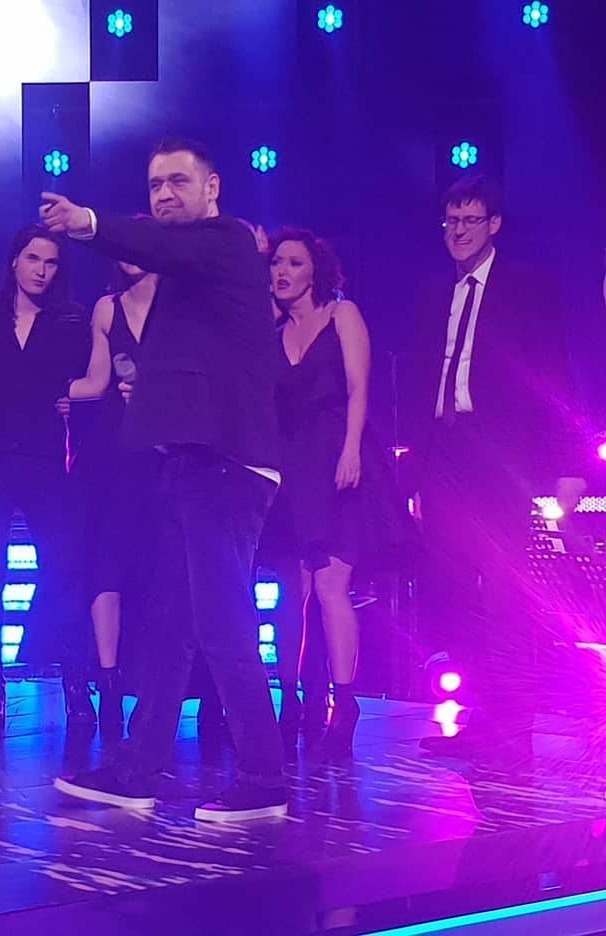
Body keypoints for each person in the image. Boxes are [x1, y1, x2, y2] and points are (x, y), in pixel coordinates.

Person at [44, 137, 287, 822]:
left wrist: (88, 223)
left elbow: (158, 245)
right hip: (189, 461)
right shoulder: (185, 274)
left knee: (222, 623)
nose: (164, 195)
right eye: (155, 185)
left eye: (178, 181)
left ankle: (264, 777)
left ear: (213, 188)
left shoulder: (227, 242)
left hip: (227, 462)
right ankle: (137, 770)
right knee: (171, 626)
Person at [410, 175, 585, 768]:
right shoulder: (434, 292)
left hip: (501, 455)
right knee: (453, 592)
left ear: (494, 225)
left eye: (470, 220)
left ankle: (514, 734)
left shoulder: (527, 286)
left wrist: (568, 463)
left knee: (507, 595)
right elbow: (420, 380)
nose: (458, 231)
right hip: (445, 454)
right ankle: (477, 722)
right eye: (451, 221)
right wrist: (417, 471)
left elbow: (553, 372)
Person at [269, 228, 404, 759]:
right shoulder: (273, 330)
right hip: (290, 467)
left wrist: (350, 449)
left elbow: (357, 387)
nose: (282, 272)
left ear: (315, 271)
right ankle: (290, 700)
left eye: (294, 263)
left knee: (331, 586)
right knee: (291, 593)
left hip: (338, 457)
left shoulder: (342, 314)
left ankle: (343, 705)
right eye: (276, 262)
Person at [0, 225, 93, 730]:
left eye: (51, 262)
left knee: (63, 572)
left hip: (46, 459)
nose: (42, 270)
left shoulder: (70, 320)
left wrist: (74, 398)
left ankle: (77, 690)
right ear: (14, 260)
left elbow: (88, 381)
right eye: (34, 258)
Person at [64, 259, 157, 738]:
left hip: (163, 447)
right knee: (106, 564)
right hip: (113, 448)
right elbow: (97, 381)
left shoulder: (179, 304)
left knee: (158, 570)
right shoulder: (107, 307)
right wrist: (47, 389)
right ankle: (109, 682)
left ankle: (158, 687)